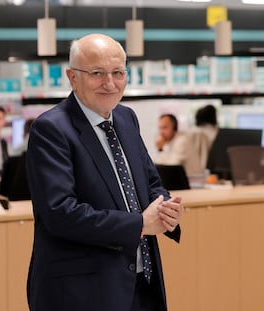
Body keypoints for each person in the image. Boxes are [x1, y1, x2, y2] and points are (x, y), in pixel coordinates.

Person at [26, 33, 183, 311]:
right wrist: (139, 225)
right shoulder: (51, 129)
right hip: (82, 292)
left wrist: (165, 209)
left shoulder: (125, 117)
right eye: (97, 73)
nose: (110, 83)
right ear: (72, 77)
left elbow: (149, 183)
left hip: (140, 283)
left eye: (118, 72)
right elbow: (60, 213)